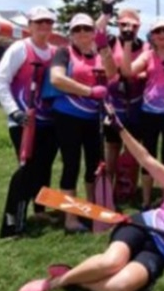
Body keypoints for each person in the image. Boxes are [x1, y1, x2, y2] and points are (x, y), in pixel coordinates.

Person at [17, 111, 164, 291]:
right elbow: (145, 158)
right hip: (142, 225)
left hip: (162, 251)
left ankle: (76, 277)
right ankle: (52, 284)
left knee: (119, 286)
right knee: (112, 263)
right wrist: (121, 129)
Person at [0, 6, 59, 234]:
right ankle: (16, 218)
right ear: (29, 25)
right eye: (39, 23)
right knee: (28, 169)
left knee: (45, 167)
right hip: (23, 121)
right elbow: (1, 80)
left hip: (48, 121)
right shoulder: (19, 49)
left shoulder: (54, 52)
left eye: (48, 23)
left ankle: (40, 210)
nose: (44, 27)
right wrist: (14, 111)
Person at [50, 13, 117, 232]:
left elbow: (112, 75)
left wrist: (104, 49)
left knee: (94, 166)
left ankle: (90, 211)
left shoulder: (98, 53)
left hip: (92, 118)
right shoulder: (64, 52)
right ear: (71, 33)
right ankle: (70, 219)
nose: (82, 33)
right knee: (71, 165)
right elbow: (57, 79)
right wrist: (89, 91)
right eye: (76, 29)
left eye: (86, 29)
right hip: (67, 116)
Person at [120, 16, 164, 210]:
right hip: (149, 111)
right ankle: (145, 200)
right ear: (152, 35)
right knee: (148, 155)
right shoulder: (148, 55)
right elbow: (127, 71)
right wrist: (127, 43)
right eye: (158, 31)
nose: (162, 35)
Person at [96, 0, 147, 202]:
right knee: (112, 149)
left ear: (138, 27)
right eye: (124, 24)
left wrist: (138, 74)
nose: (128, 29)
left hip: (135, 106)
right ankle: (108, 190)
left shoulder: (144, 47)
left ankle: (129, 190)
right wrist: (105, 12)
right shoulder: (109, 41)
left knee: (133, 151)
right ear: (118, 25)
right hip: (114, 105)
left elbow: (145, 70)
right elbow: (97, 34)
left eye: (132, 26)